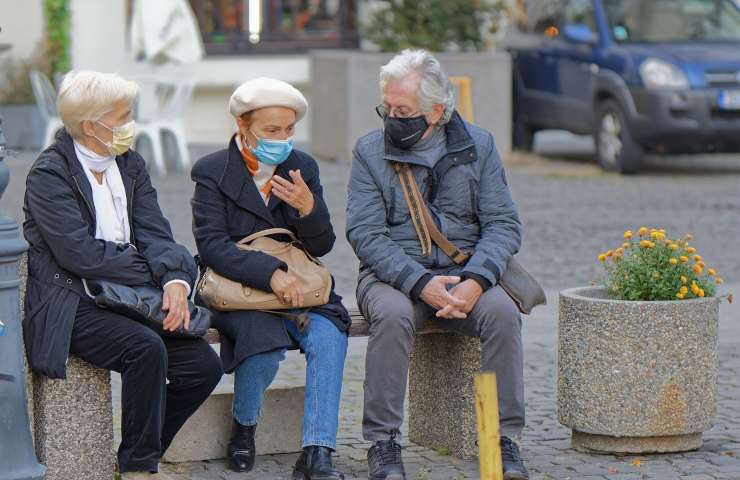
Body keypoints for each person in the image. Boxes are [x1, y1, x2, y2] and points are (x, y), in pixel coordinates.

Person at [23, 71, 222, 479]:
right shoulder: (49, 173)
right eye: (123, 116)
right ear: (90, 125)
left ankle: (136, 453)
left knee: (203, 366)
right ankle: (138, 468)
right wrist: (153, 271)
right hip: (70, 301)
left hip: (129, 296)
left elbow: (156, 232)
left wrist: (175, 282)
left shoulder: (128, 163)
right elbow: (80, 255)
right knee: (145, 349)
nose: (130, 125)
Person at [346, 50, 529, 480]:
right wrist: (420, 282)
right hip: (391, 277)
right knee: (391, 317)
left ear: (437, 111)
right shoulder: (370, 152)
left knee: (503, 314)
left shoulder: (479, 146)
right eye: (386, 108)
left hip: (465, 273)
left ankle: (499, 440)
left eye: (403, 111)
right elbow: (365, 234)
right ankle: (383, 443)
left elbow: (503, 224)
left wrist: (476, 282)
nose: (392, 118)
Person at [191, 77, 349, 480]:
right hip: (241, 291)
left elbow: (323, 244)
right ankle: (244, 429)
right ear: (244, 127)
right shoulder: (212, 171)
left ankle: (317, 452)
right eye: (272, 131)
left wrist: (309, 209)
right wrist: (271, 274)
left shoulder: (302, 167)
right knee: (261, 343)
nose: (283, 138)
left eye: (289, 130)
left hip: (299, 290)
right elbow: (212, 246)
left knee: (329, 337)